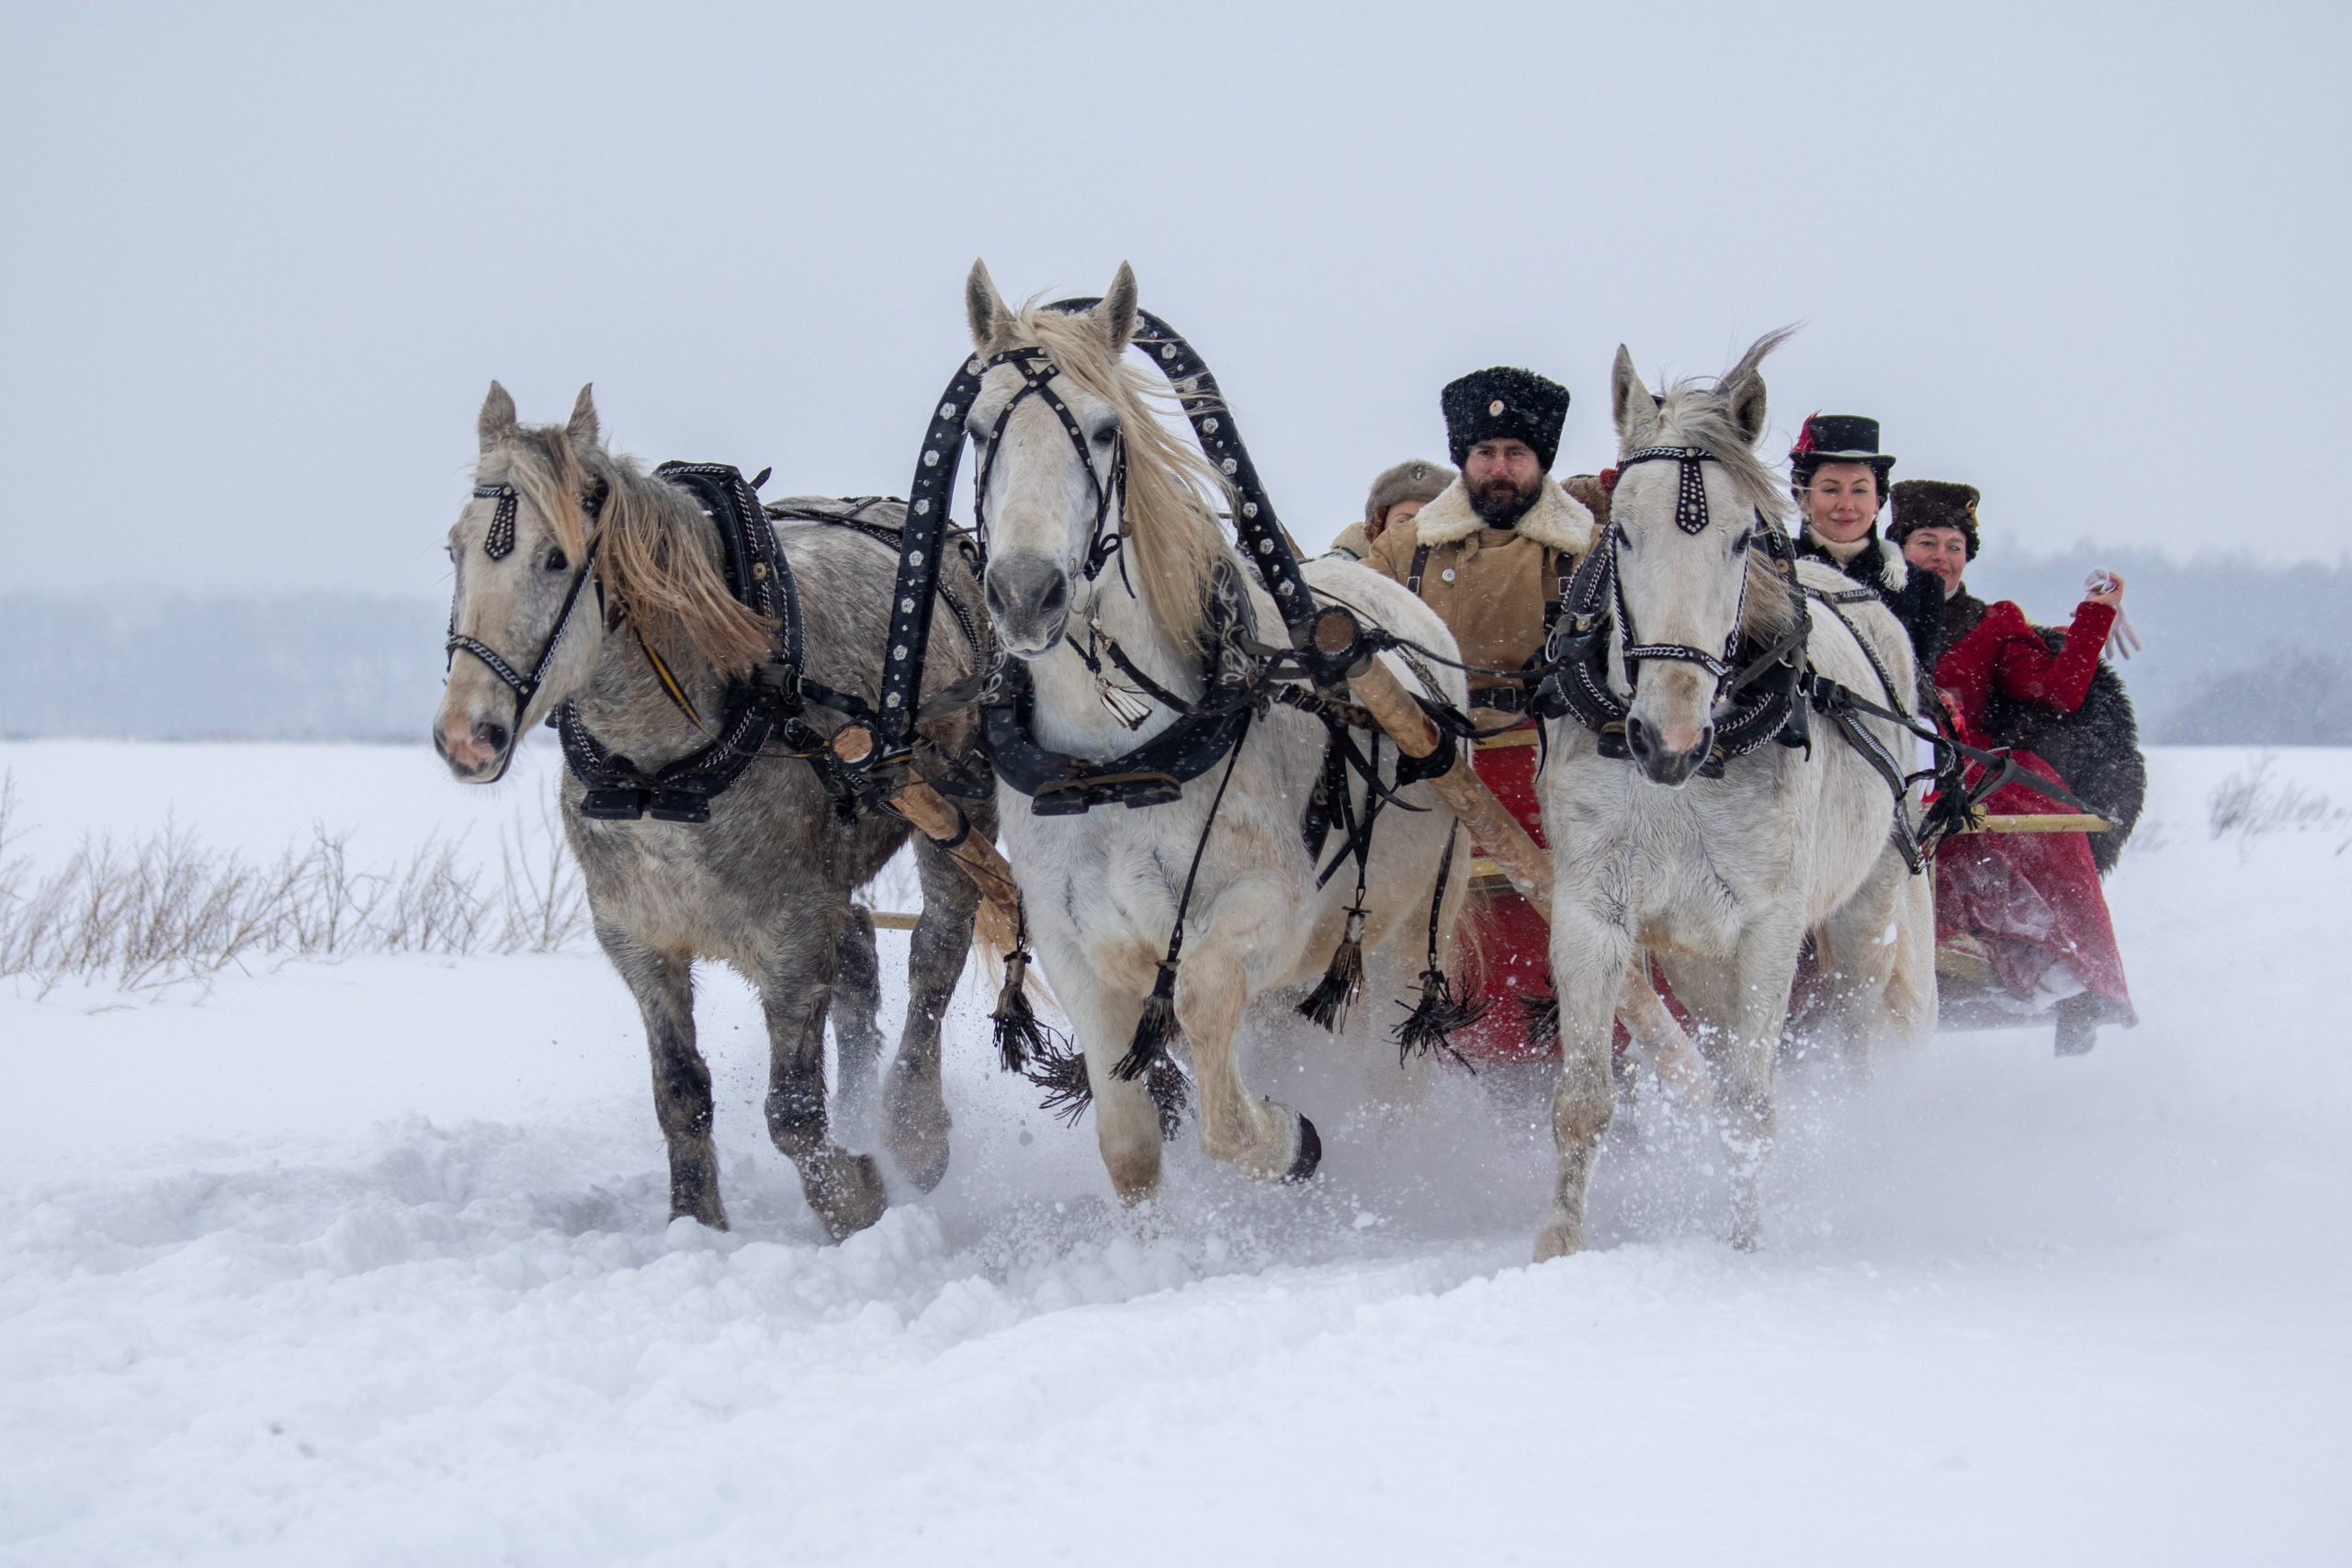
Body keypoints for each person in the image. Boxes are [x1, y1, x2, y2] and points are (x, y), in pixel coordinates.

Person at [1363, 367, 1610, 1059]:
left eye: (1515, 454)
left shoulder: (1590, 551)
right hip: (1429, 776)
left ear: (1541, 461)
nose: (1499, 469)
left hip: (1556, 774)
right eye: (1485, 453)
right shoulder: (1403, 551)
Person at [1889, 479, 2136, 1055]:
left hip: (1965, 765)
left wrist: (2093, 618)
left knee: (2031, 798)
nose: (1942, 557)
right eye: (1927, 543)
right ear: (1899, 546)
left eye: (1954, 546)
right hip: (1873, 756)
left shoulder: (1993, 622)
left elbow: (2056, 693)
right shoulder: (1861, 607)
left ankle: (2075, 972)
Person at [1788, 413, 1943, 674]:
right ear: (1804, 499)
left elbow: (1915, 687)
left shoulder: (1920, 587)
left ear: (1877, 502)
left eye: (1860, 490)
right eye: (1831, 490)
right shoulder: (1774, 568)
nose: (1846, 505)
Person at [1327, 458, 1453, 562]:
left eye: (1429, 523)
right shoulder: (1335, 579)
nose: (1415, 532)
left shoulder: (1462, 578)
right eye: (1403, 523)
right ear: (1378, 528)